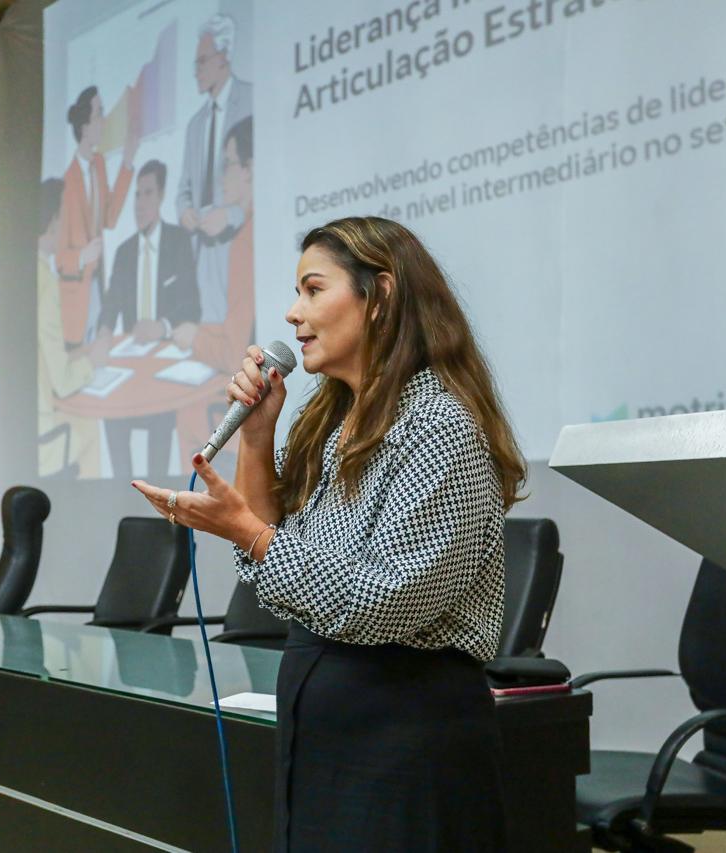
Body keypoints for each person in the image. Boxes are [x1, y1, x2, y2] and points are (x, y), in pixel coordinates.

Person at [133, 216, 527, 851]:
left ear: (383, 297)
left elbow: (384, 601)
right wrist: (257, 440)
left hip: (405, 726)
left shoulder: (437, 421)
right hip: (326, 713)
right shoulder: (335, 421)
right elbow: (280, 566)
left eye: (314, 290)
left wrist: (247, 532)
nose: (294, 313)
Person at [172, 117, 254, 458]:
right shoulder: (244, 233)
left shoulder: (247, 241)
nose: (223, 175)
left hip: (251, 413)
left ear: (250, 169)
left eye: (230, 165)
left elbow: (237, 353)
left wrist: (194, 339)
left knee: (189, 414)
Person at [176, 14, 252, 326]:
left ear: (224, 57)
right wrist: (185, 212)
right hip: (201, 252)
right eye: (194, 63)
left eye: (202, 61)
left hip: (241, 244)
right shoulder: (195, 125)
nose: (196, 70)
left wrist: (232, 215)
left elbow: (263, 179)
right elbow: (183, 190)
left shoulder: (252, 99)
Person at [56, 84, 140, 347]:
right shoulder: (66, 183)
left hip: (98, 285)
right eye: (99, 114)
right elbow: (60, 258)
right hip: (76, 292)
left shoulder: (99, 165)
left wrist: (127, 161)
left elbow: (110, 217)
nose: (104, 121)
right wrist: (82, 257)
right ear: (84, 127)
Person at [37, 178, 107, 477]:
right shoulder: (45, 281)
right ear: (54, 221)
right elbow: (63, 381)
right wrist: (93, 360)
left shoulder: (31, 272)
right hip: (44, 436)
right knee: (90, 430)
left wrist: (82, 351)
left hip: (35, 416)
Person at [97, 159, 200, 341]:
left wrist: (162, 327)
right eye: (137, 195)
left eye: (148, 193)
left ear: (161, 196)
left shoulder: (178, 241)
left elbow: (192, 305)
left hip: (170, 347)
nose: (140, 204)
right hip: (133, 352)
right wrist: (103, 335)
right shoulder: (124, 253)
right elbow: (110, 306)